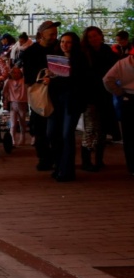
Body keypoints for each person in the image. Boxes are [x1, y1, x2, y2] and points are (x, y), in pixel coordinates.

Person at [46, 31, 87, 182]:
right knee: (52, 134)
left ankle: (67, 170)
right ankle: (59, 165)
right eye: (62, 41)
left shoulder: (80, 59)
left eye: (68, 42)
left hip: (72, 101)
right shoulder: (56, 57)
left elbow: (80, 82)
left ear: (74, 43)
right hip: (56, 101)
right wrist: (49, 77)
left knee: (66, 135)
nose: (64, 44)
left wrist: (60, 77)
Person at [21, 21, 60, 171]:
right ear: (42, 34)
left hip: (57, 94)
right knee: (40, 129)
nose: (54, 36)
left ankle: (55, 157)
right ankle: (44, 158)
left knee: (55, 129)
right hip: (40, 94)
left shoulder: (58, 49)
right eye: (51, 34)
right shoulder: (31, 52)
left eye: (55, 33)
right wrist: (43, 77)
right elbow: (29, 76)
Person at [82, 26, 118, 171]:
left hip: (105, 94)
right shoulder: (84, 53)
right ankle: (86, 160)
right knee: (90, 127)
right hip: (89, 95)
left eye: (95, 35)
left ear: (100, 36)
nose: (93, 39)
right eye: (90, 36)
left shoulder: (107, 51)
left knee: (103, 128)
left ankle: (99, 159)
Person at [102, 52, 134, 174]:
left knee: (129, 135)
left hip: (128, 100)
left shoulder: (123, 63)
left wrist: (119, 92)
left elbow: (107, 80)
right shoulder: (122, 62)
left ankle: (132, 167)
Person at [3, 66, 29, 146]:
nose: (16, 74)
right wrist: (6, 100)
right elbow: (5, 91)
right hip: (13, 104)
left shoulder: (24, 80)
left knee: (22, 122)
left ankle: (23, 138)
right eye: (14, 73)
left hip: (23, 103)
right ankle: (12, 140)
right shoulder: (8, 81)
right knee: (13, 124)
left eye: (18, 73)